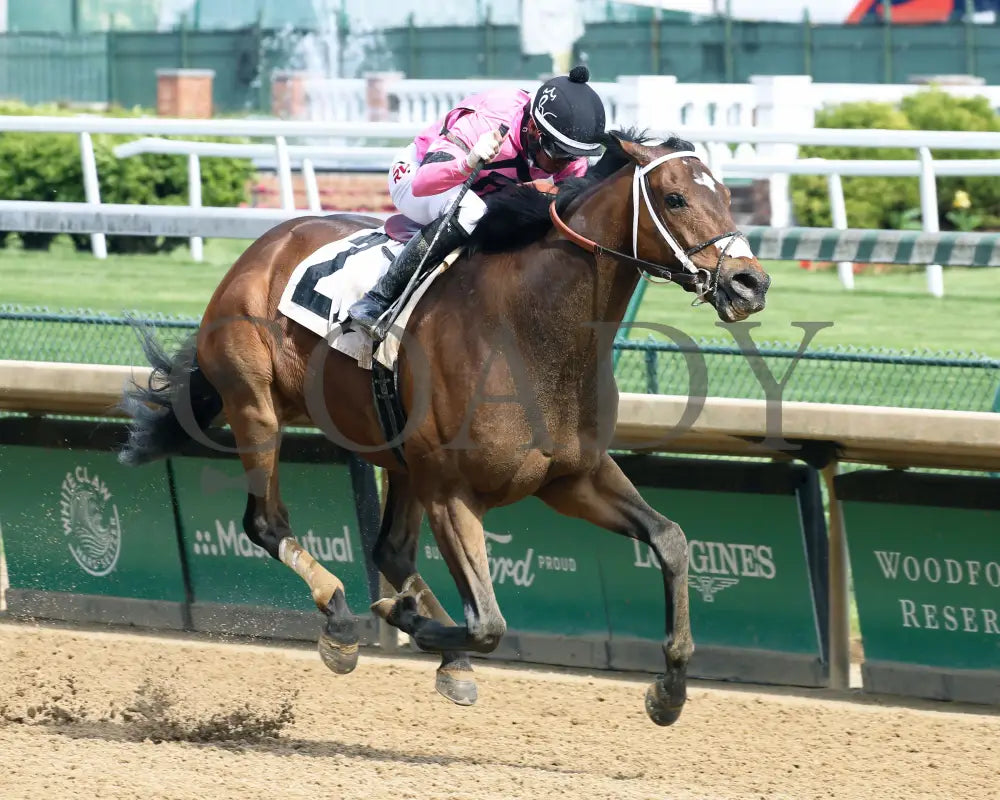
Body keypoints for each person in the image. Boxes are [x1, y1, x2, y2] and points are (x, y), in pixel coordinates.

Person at [348, 64, 607, 338]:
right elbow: (424, 182)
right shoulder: (490, 120)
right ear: (533, 128)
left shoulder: (567, 155)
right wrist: (468, 162)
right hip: (417, 176)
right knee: (470, 211)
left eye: (573, 155)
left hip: (484, 192)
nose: (565, 164)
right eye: (559, 153)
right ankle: (377, 300)